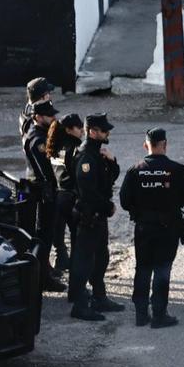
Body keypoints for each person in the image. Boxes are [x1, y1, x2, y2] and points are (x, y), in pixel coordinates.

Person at [120, 128, 184, 328]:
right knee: (162, 268)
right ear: (165, 144)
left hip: (144, 227)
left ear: (146, 145)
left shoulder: (135, 170)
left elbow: (124, 201)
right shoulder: (177, 170)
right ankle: (159, 314)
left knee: (143, 268)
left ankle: (140, 313)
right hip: (168, 226)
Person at [68, 113, 125, 321]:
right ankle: (81, 305)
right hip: (89, 215)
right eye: (103, 130)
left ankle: (99, 297)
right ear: (92, 132)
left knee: (101, 258)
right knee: (85, 261)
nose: (107, 133)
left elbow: (108, 179)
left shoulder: (98, 153)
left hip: (99, 215)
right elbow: (87, 191)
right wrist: (107, 205)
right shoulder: (86, 157)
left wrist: (113, 161)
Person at [22, 100, 66, 292]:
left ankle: (43, 274)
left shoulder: (41, 132)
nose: (53, 118)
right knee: (44, 236)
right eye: (49, 116)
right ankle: (42, 278)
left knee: (46, 235)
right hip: (42, 194)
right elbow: (48, 169)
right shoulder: (37, 139)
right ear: (38, 117)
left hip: (43, 191)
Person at [45, 112, 85, 274]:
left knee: (59, 235)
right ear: (69, 130)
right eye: (78, 127)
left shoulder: (55, 147)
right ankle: (77, 283)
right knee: (78, 241)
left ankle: (62, 261)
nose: (82, 130)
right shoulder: (75, 149)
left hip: (60, 196)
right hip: (72, 197)